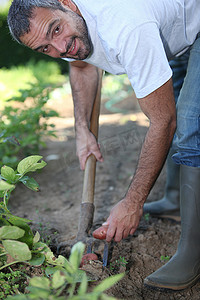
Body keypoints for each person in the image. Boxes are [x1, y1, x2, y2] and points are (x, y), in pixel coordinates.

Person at [7, 0, 200, 291]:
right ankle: (174, 200)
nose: (59, 48)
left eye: (56, 30)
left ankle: (192, 254)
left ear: (67, 4)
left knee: (188, 125)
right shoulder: (62, 29)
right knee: (176, 104)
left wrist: (132, 202)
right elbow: (82, 65)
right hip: (171, 31)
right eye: (45, 48)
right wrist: (81, 129)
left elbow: (164, 121)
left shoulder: (124, 25)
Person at [143, 53, 189, 221]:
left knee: (190, 114)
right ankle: (174, 198)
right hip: (175, 44)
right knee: (174, 111)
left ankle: (186, 201)